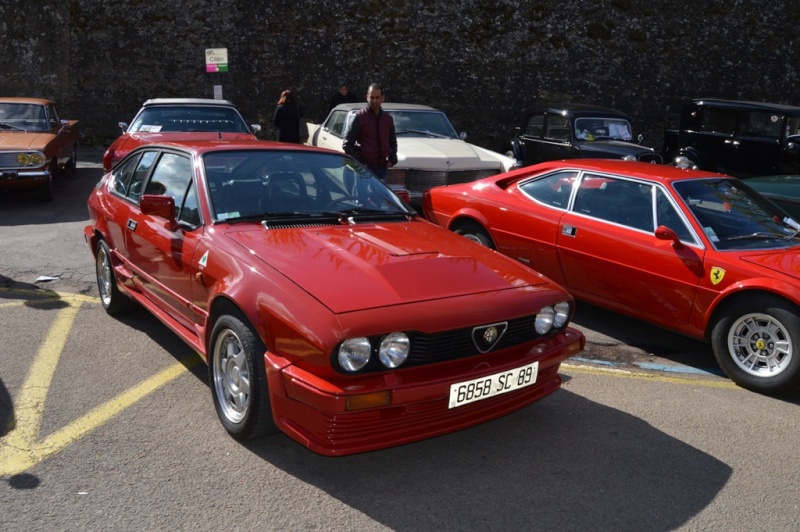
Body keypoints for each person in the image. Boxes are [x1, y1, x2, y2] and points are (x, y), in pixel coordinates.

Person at [342, 83, 398, 181]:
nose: (374, 101)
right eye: (371, 97)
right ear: (367, 97)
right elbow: (347, 144)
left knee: (379, 196)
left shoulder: (388, 119)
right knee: (363, 196)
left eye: (377, 97)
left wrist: (392, 159)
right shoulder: (359, 117)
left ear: (382, 98)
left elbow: (392, 141)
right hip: (365, 169)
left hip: (382, 169)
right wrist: (360, 164)